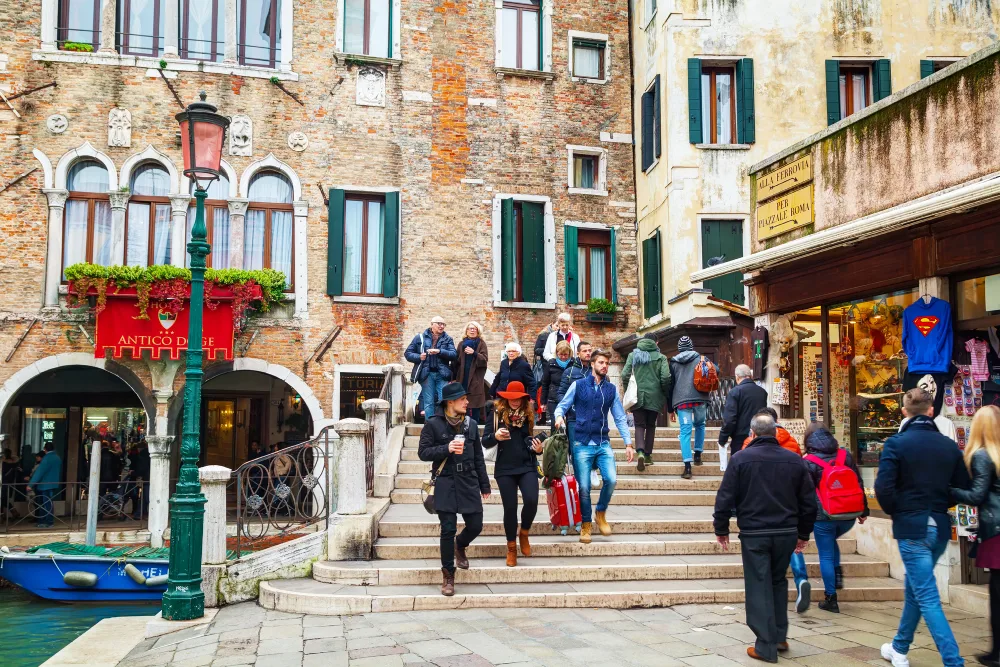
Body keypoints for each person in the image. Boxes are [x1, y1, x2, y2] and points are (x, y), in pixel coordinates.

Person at [876, 388, 969, 667]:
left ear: (904, 412)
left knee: (927, 596)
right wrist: (941, 502)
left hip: (912, 526)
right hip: (939, 524)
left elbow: (883, 489)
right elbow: (961, 488)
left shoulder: (896, 444)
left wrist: (899, 511)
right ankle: (899, 647)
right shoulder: (949, 446)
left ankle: (954, 662)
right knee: (917, 588)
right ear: (931, 411)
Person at [713, 413, 816, 664]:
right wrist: (803, 533)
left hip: (755, 532)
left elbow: (725, 497)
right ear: (774, 432)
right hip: (785, 533)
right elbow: (809, 503)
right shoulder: (794, 460)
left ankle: (765, 645)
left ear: (752, 433)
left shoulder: (740, 459)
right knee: (778, 582)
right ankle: (779, 636)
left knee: (759, 584)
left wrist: (721, 528)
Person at [418, 382, 491, 596]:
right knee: (447, 529)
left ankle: (461, 544)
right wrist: (446, 448)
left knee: (476, 525)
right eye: (463, 399)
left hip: (468, 480)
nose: (467, 402)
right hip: (445, 481)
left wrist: (484, 485)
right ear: (451, 402)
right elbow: (423, 453)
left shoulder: (471, 424)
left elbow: (479, 457)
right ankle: (448, 576)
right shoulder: (433, 424)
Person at [554, 349, 634, 544]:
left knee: (612, 479)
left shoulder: (611, 389)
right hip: (581, 443)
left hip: (602, 442)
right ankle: (586, 525)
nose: (604, 366)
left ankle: (601, 512)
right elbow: (562, 405)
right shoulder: (579, 385)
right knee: (584, 487)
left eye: (606, 363)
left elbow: (620, 417)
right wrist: (558, 416)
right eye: (601, 362)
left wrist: (628, 443)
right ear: (592, 364)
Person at [793, 424, 869, 614]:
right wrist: (864, 510)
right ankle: (835, 574)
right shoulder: (845, 455)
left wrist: (802, 519)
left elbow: (806, 494)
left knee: (825, 553)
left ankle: (831, 597)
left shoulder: (808, 461)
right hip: (849, 515)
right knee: (831, 542)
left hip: (823, 516)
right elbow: (859, 483)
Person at [950, 405, 1000, 667]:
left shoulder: (982, 455)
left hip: (995, 528)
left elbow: (977, 496)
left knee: (997, 593)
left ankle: (997, 653)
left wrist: (951, 491)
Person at [483, 381, 545, 567]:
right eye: (511, 398)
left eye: (518, 398)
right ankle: (511, 548)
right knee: (510, 508)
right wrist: (495, 436)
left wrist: (539, 449)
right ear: (505, 398)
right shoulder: (496, 415)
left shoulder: (528, 415)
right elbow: (485, 441)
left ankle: (524, 532)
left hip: (527, 465)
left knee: (532, 501)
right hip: (505, 468)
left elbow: (530, 441)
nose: (515, 402)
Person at [621, 333, 671, 471]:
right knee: (650, 425)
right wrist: (664, 392)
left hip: (637, 395)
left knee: (639, 425)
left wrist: (627, 390)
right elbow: (665, 377)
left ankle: (640, 452)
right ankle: (648, 455)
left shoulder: (633, 355)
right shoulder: (661, 357)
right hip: (655, 396)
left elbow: (624, 374)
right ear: (657, 342)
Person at [667, 336, 714, 479]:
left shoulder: (673, 362)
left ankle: (687, 467)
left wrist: (670, 408)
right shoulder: (701, 358)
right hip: (700, 399)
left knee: (685, 432)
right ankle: (698, 454)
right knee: (700, 425)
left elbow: (670, 385)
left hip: (682, 402)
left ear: (679, 348)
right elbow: (715, 370)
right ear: (692, 346)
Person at [405, 316, 457, 419]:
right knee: (428, 402)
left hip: (442, 374)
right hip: (426, 375)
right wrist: (419, 357)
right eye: (439, 323)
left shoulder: (448, 339)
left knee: (445, 400)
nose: (441, 326)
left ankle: (445, 425)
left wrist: (440, 351)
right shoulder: (420, 338)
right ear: (432, 324)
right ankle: (430, 427)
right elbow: (408, 353)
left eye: (443, 324)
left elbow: (454, 354)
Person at [719, 364, 768, 453]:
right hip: (759, 436)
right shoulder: (762, 392)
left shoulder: (735, 392)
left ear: (737, 377)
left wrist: (723, 438)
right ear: (751, 376)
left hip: (740, 438)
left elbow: (729, 419)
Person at [556, 341, 593, 447]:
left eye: (590, 351)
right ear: (578, 353)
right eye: (585, 351)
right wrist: (568, 408)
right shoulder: (569, 372)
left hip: (594, 418)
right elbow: (561, 393)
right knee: (576, 450)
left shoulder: (595, 371)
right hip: (574, 418)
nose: (588, 353)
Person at [454, 321, 489, 423]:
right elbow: (456, 362)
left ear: (478, 331)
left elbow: (484, 360)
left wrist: (474, 353)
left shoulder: (481, 344)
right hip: (462, 378)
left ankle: (474, 428)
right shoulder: (461, 344)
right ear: (466, 331)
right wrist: (453, 378)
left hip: (475, 379)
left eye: (474, 328)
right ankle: (461, 427)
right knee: (461, 403)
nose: (472, 330)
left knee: (475, 405)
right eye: (470, 328)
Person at [28, 442, 62, 528]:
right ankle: (44, 521)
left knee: (45, 504)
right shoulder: (57, 458)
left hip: (44, 484)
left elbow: (39, 472)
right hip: (53, 483)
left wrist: (30, 484)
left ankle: (47, 522)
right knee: (48, 503)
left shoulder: (46, 459)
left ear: (45, 449)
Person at [541, 341, 574, 427]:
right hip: (554, 398)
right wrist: (543, 402)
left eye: (565, 355)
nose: (563, 357)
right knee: (555, 423)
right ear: (557, 353)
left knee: (570, 424)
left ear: (570, 353)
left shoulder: (574, 363)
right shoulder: (551, 363)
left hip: (569, 397)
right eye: (561, 354)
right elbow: (545, 383)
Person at [1, 448, 22, 520]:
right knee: (4, 499)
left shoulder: (4, 463)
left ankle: (10, 513)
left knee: (3, 499)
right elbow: (16, 459)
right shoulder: (15, 463)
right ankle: (13, 512)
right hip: (10, 483)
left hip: (3, 483)